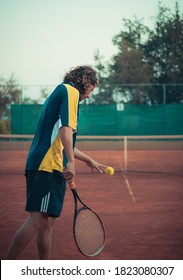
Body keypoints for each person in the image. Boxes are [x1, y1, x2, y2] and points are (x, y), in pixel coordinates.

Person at [5, 65, 108, 259]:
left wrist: (88, 160)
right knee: (37, 220)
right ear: (84, 82)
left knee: (47, 222)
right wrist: (70, 162)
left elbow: (60, 140)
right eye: (91, 90)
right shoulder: (70, 92)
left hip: (46, 163)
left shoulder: (61, 91)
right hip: (47, 165)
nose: (89, 96)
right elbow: (65, 131)